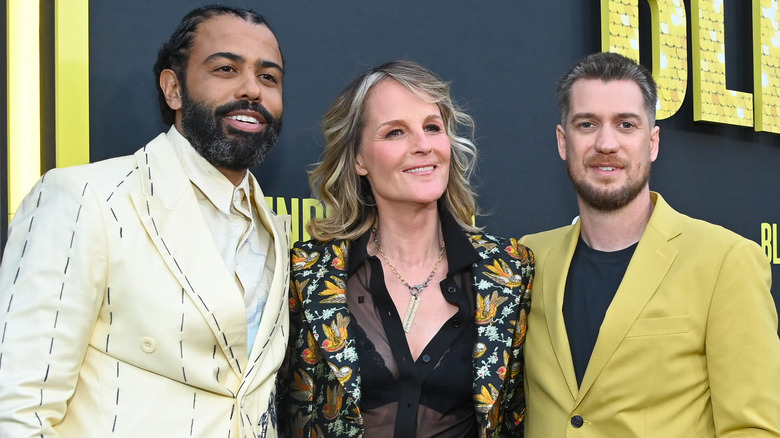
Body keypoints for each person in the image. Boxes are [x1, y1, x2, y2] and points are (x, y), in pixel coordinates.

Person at [0, 5, 291, 437]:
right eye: (226, 69)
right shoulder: (86, 199)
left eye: (269, 77)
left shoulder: (273, 229)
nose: (252, 89)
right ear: (173, 89)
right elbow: (19, 408)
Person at [520, 51, 780, 437]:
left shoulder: (726, 261)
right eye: (587, 124)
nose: (606, 143)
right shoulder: (527, 258)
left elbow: (752, 429)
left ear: (653, 142)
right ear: (563, 142)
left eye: (626, 125)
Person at [278, 60, 533, 437]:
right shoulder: (308, 272)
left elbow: (515, 418)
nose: (423, 145)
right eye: (395, 132)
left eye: (432, 127)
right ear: (358, 159)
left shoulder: (510, 271)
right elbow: (284, 411)